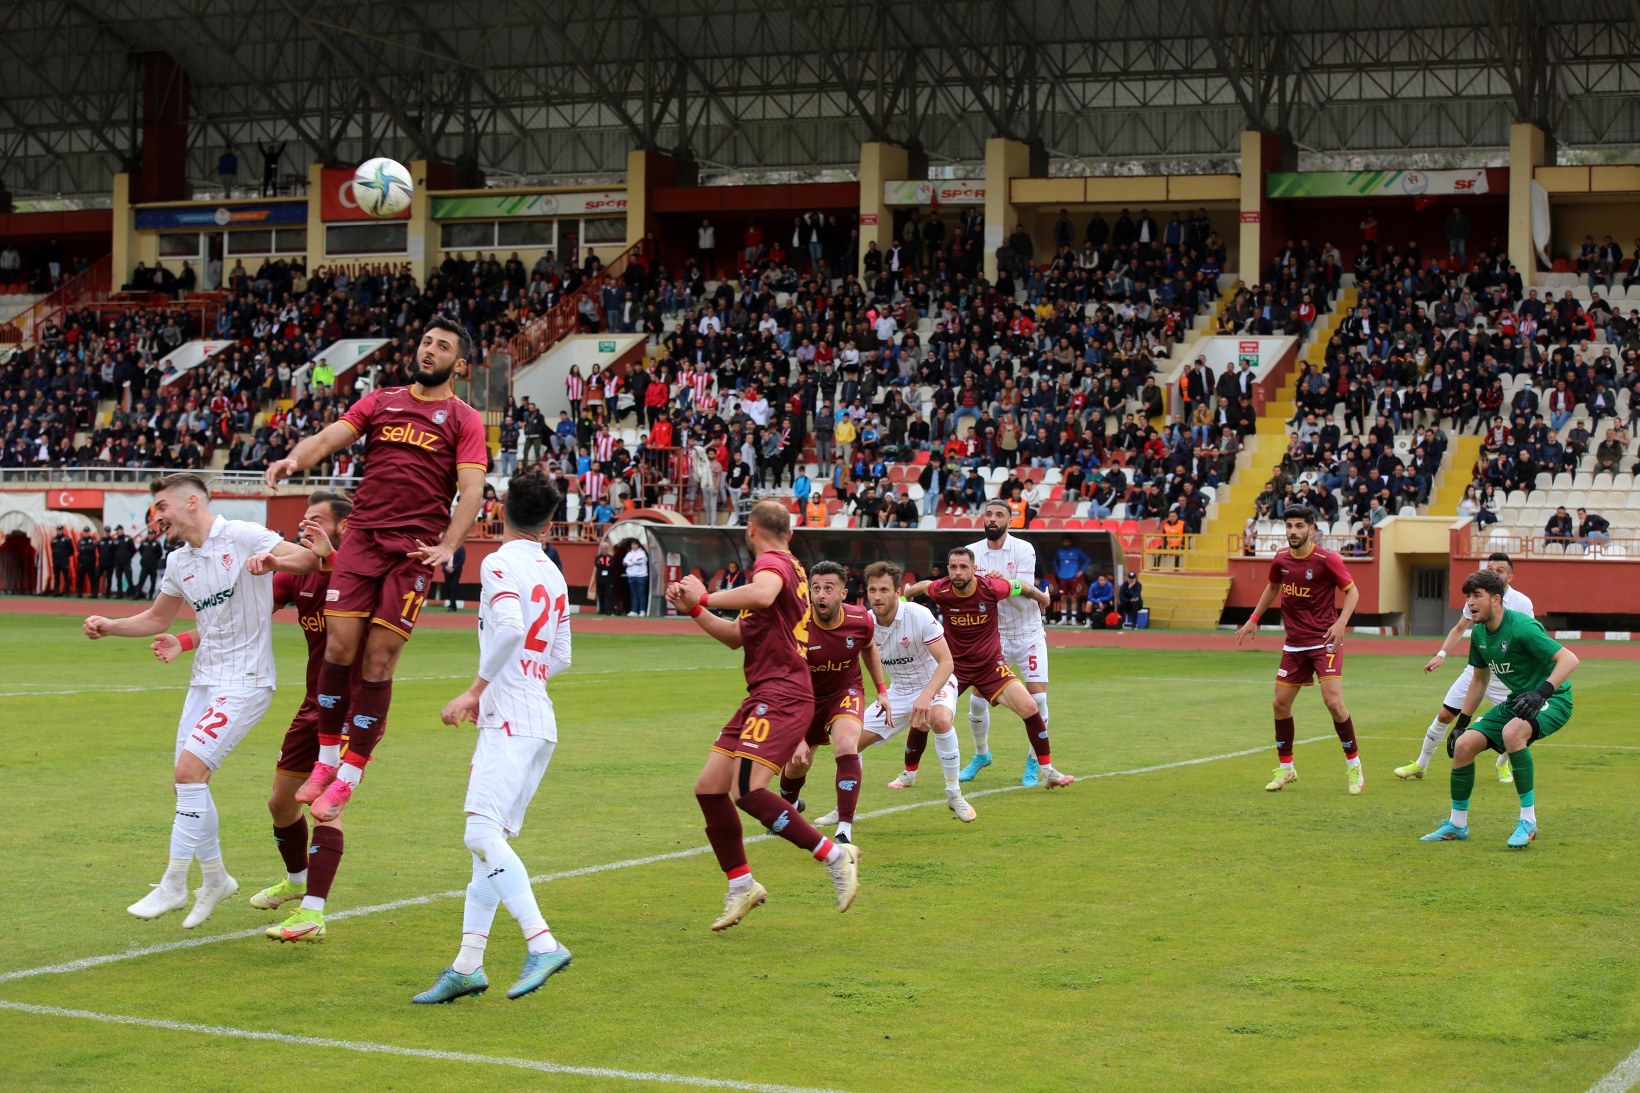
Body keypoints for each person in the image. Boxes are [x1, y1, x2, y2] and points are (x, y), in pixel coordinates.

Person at [265, 317, 489, 823]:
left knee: (378, 664)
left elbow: (471, 489)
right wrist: (293, 460)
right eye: (427, 341)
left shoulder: (463, 419)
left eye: (443, 346)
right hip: (362, 540)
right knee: (339, 649)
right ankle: (325, 763)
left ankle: (350, 775)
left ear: (460, 363)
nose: (430, 350)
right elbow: (328, 438)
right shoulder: (381, 400)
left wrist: (449, 545)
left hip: (411, 552)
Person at [83, 473, 320, 927]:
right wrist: (110, 625)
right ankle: (214, 877)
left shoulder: (244, 535)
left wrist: (271, 560)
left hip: (246, 681)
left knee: (189, 771)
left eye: (161, 507)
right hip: (204, 682)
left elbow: (308, 559)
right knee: (187, 783)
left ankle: (174, 882)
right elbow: (157, 618)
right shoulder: (178, 561)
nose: (157, 516)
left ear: (190, 502)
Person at [154, 492, 357, 942]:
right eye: (304, 520)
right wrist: (182, 642)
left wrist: (332, 559)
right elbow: (231, 619)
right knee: (280, 804)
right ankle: (297, 881)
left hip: (352, 705)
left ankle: (313, 912)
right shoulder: (297, 576)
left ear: (344, 526)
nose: (307, 527)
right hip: (313, 703)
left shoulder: (359, 575)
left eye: (318, 520)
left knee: (324, 806)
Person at [412, 469, 575, 1003]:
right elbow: (562, 656)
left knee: (480, 834)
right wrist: (523, 680)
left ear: (500, 508)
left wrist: (477, 689)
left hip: (508, 716)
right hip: (538, 716)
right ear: (550, 521)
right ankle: (467, 965)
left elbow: (507, 627)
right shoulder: (552, 571)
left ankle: (542, 941)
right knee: (487, 847)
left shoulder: (499, 562)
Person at [664, 500, 862, 931]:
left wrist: (706, 594)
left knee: (747, 790)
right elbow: (739, 636)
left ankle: (835, 854)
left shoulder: (773, 565)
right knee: (710, 789)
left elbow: (763, 592)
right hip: (764, 692)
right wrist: (697, 610)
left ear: (750, 531)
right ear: (789, 531)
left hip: (782, 692)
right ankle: (742, 885)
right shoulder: (790, 567)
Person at [1420, 568, 1579, 849]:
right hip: (1518, 700)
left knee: (1513, 732)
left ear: (1496, 599)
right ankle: (1457, 824)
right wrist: (1461, 724)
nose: (1470, 603)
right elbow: (1479, 680)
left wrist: (1542, 693)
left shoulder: (1521, 627)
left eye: (1476, 596)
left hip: (1554, 700)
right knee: (1465, 744)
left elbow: (1569, 659)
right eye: (1468, 596)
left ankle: (1528, 822)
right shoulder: (1479, 633)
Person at [901, 548, 1074, 790]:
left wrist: (1043, 599)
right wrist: (908, 593)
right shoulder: (941, 589)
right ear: (948, 569)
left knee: (1029, 706)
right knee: (925, 717)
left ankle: (1047, 771)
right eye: (953, 567)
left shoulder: (991, 587)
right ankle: (908, 774)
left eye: (963, 567)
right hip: (953, 667)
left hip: (990, 666)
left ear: (974, 569)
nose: (958, 572)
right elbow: (924, 585)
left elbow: (1020, 586)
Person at [1234, 504, 1364, 795]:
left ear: (1311, 528)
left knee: (1333, 702)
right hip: (1294, 643)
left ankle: (1354, 764)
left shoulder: (1326, 559)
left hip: (1325, 641)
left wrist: (1341, 623)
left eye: (1299, 526)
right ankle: (1287, 768)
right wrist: (1253, 619)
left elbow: (1352, 592)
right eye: (1289, 526)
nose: (1293, 531)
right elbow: (1272, 587)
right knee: (1280, 704)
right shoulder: (1280, 559)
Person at [770, 561, 889, 843]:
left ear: (843, 593)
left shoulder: (861, 619)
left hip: (844, 691)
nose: (821, 594)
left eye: (828, 588)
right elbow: (785, 682)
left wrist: (882, 690)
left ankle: (844, 829)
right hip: (803, 699)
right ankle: (790, 805)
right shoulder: (797, 626)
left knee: (847, 744)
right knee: (799, 763)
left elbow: (869, 648)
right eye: (816, 588)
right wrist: (797, 735)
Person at [854, 561, 976, 822]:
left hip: (936, 683)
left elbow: (947, 663)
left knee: (940, 719)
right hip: (898, 692)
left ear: (898, 592)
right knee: (849, 742)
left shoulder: (918, 615)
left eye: (884, 590)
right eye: (872, 590)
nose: (877, 596)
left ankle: (954, 794)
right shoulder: (865, 623)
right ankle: (845, 811)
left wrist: (925, 696)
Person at [1395, 553, 1530, 784]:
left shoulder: (1522, 603)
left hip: (1507, 676)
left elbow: (1526, 639)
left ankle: (1502, 763)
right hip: (1477, 672)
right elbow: (1459, 628)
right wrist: (1441, 654)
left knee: (1517, 727)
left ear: (1510, 576)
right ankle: (1421, 764)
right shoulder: (1478, 599)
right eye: (1490, 569)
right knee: (1445, 713)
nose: (1493, 573)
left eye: (1499, 570)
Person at [961, 501, 1053, 787]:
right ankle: (981, 755)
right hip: (993, 636)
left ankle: (1034, 762)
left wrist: (1002, 583)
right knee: (977, 700)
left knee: (1037, 699)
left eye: (999, 515)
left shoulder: (1024, 549)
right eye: (988, 514)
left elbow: (1023, 595)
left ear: (1009, 522)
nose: (992, 519)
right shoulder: (972, 552)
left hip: (1028, 633)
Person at [1048, 535, 1091, 624]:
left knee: (1074, 598)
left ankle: (1073, 619)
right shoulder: (1059, 552)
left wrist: (1081, 571)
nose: (1066, 543)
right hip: (1063, 577)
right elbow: (1054, 561)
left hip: (1074, 577)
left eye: (1068, 541)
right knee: (1063, 598)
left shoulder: (1076, 551)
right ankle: (1063, 619)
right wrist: (1058, 572)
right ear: (1062, 542)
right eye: (1065, 541)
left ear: (1070, 542)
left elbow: (1087, 559)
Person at [623, 540, 649, 617]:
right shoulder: (629, 553)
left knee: (641, 593)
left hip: (641, 576)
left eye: (635, 544)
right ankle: (634, 610)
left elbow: (640, 561)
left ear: (638, 545)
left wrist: (630, 562)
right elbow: (624, 561)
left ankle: (642, 610)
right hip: (631, 576)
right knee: (634, 594)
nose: (633, 546)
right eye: (632, 544)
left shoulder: (642, 553)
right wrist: (631, 562)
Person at [444, 543, 467, 611]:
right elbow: (442, 558)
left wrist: (453, 568)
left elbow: (461, 560)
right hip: (447, 571)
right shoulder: (446, 549)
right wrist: (445, 566)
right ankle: (452, 604)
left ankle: (452, 605)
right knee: (448, 587)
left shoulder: (461, 549)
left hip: (456, 571)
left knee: (453, 587)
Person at [50, 528, 72, 595]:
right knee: (56, 576)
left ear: (62, 530)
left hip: (64, 561)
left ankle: (66, 592)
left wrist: (65, 556)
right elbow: (52, 548)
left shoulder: (67, 539)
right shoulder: (54, 539)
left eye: (60, 530)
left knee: (66, 576)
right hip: (56, 561)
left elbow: (71, 550)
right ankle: (56, 591)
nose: (59, 531)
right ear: (56, 530)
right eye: (58, 530)